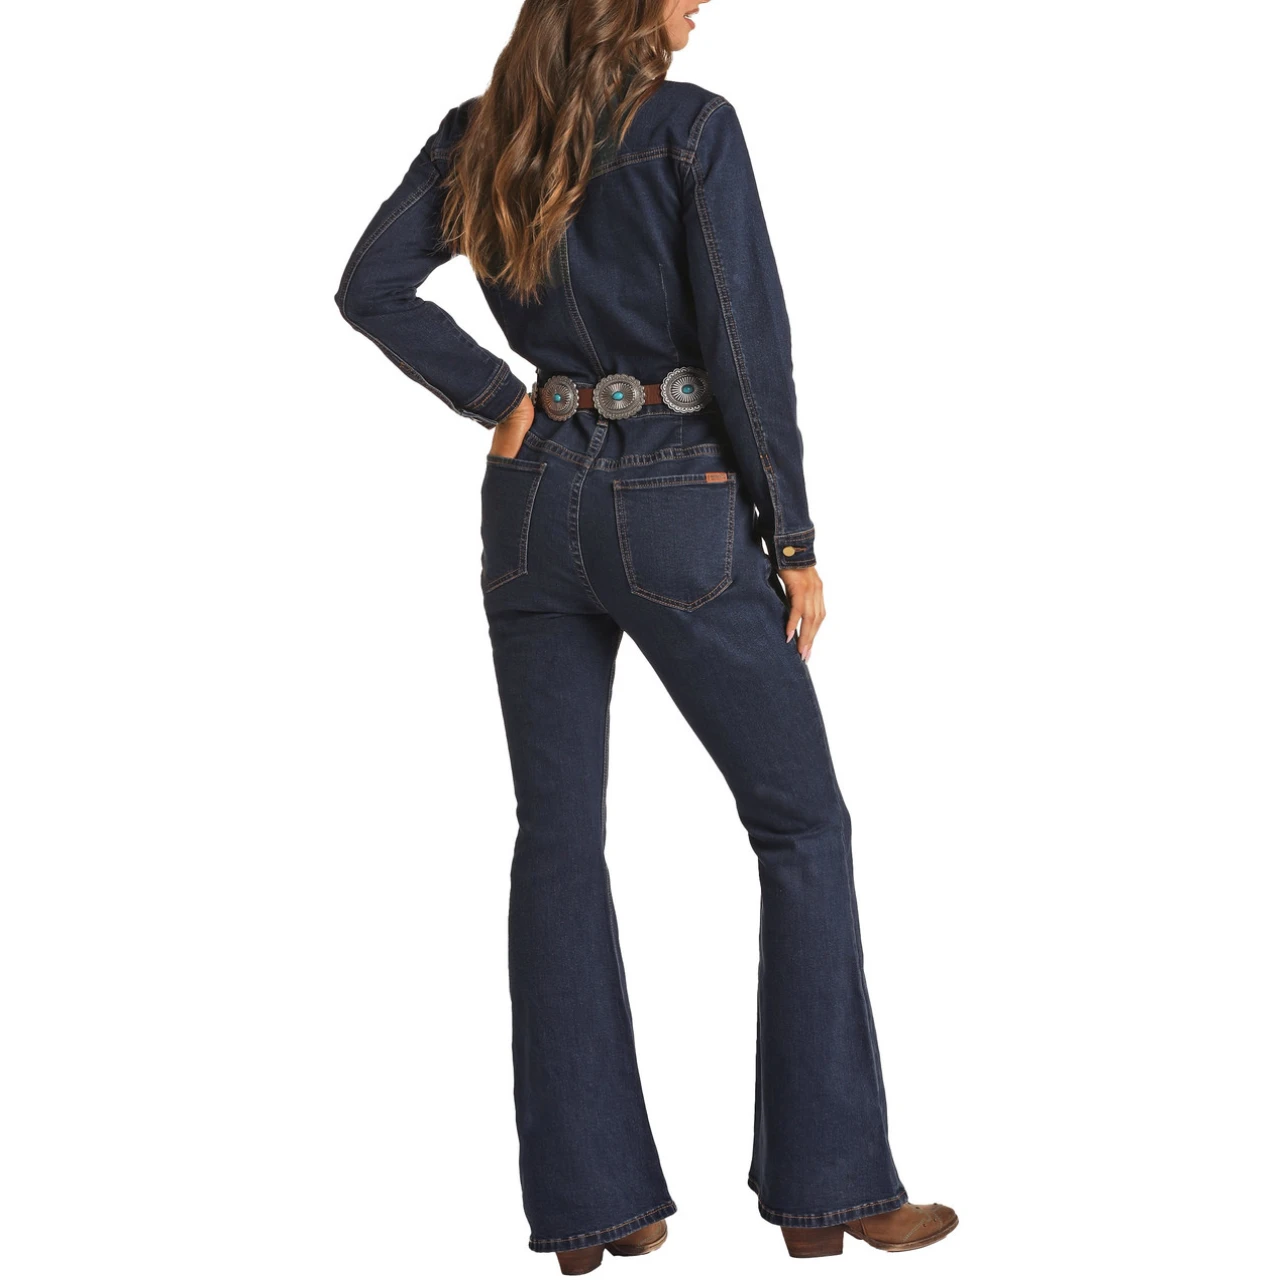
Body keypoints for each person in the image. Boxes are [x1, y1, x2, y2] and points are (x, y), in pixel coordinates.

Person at [335, 0, 956, 1274]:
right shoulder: (690, 129)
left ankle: (595, 1209)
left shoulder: (479, 135)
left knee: (558, 839)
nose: (701, 2)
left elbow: (369, 287)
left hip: (531, 509)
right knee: (801, 824)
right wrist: (792, 539)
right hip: (677, 504)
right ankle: (829, 1185)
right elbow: (745, 345)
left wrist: (503, 401)